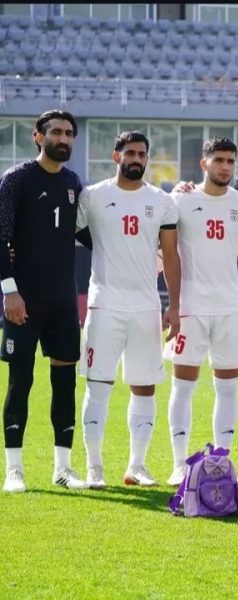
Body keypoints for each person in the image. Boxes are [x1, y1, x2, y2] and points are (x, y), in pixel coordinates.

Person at [76, 131, 181, 488]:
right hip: (104, 303)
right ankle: (94, 466)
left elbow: (170, 256)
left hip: (146, 306)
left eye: (142, 154)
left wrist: (175, 307)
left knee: (145, 387)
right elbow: (73, 234)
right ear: (116, 156)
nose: (137, 159)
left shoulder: (161, 201)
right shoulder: (93, 196)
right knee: (98, 385)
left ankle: (137, 465)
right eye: (130, 153)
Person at [1, 110, 89, 492]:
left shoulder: (73, 182)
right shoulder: (17, 179)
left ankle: (63, 468)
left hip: (63, 301)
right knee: (20, 380)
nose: (64, 139)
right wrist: (10, 290)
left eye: (69, 133)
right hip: (23, 299)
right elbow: (1, 236)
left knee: (65, 383)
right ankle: (14, 469)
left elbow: (88, 233)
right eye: (56, 132)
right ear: (38, 136)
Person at [164, 137, 238, 485]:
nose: (225, 166)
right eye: (219, 160)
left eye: (230, 160)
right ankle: (179, 464)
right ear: (204, 164)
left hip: (229, 307)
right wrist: (172, 305)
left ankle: (222, 460)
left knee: (227, 388)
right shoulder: (181, 200)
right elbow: (166, 251)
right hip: (192, 308)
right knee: (183, 386)